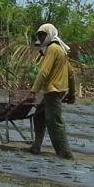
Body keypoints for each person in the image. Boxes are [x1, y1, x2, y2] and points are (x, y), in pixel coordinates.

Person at [27, 22, 74, 160]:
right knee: (39, 116)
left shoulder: (53, 49)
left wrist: (33, 91)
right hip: (57, 90)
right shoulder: (61, 49)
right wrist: (72, 93)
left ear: (51, 34)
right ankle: (36, 146)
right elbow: (71, 73)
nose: (41, 38)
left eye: (43, 35)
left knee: (54, 120)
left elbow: (43, 72)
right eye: (39, 35)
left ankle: (65, 152)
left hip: (53, 90)